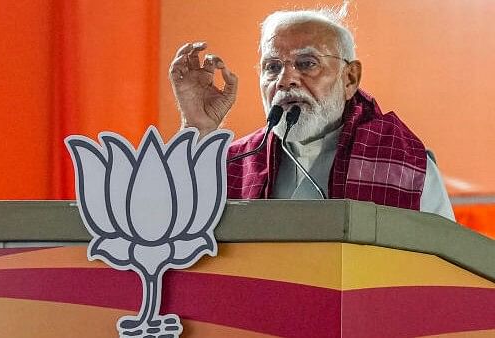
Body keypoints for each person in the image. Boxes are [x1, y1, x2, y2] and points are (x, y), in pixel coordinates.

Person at [168, 6, 455, 220]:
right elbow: (168, 228)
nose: (285, 79)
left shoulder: (408, 168)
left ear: (350, 78)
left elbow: (443, 279)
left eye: (306, 63)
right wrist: (197, 126)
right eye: (272, 66)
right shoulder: (237, 164)